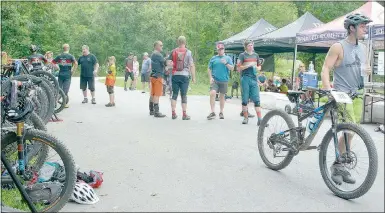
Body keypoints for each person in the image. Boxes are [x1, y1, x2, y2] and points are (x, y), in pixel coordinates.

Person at [321, 13, 372, 185]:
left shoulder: (363, 48)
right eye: (363, 26)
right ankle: (337, 165)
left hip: (357, 94)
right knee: (349, 129)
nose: (365, 29)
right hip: (342, 94)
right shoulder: (338, 47)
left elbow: (362, 68)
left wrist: (366, 71)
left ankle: (340, 165)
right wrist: (328, 89)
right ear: (352, 28)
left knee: (351, 132)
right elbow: (326, 68)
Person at [167, 36, 196, 120]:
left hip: (175, 75)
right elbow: (192, 65)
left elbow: (168, 64)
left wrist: (170, 70)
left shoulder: (173, 51)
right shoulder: (188, 52)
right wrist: (194, 77)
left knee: (174, 94)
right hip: (185, 76)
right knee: (184, 95)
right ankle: (184, 114)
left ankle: (173, 113)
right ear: (185, 42)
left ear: (178, 42)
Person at [237, 40, 265, 125]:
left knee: (257, 100)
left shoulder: (256, 55)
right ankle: (245, 118)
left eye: (252, 45)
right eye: (249, 45)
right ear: (245, 47)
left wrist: (257, 68)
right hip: (245, 78)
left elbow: (259, 66)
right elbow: (238, 68)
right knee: (245, 99)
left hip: (254, 78)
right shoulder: (242, 55)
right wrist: (248, 65)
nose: (251, 47)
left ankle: (260, 120)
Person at [206, 42, 234, 120]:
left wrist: (226, 64)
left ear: (224, 49)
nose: (220, 51)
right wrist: (210, 77)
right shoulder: (213, 58)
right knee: (212, 93)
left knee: (222, 96)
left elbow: (232, 68)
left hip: (224, 80)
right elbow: (209, 68)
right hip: (215, 79)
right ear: (217, 50)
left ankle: (221, 112)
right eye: (219, 49)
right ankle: (212, 112)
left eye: (222, 49)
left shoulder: (228, 58)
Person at [149, 41, 171, 117]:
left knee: (152, 93)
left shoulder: (153, 54)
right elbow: (165, 63)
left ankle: (151, 110)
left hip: (152, 76)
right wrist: (170, 57)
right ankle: (156, 112)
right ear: (156, 46)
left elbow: (162, 63)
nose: (162, 47)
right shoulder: (158, 54)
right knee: (157, 94)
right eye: (161, 45)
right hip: (158, 76)